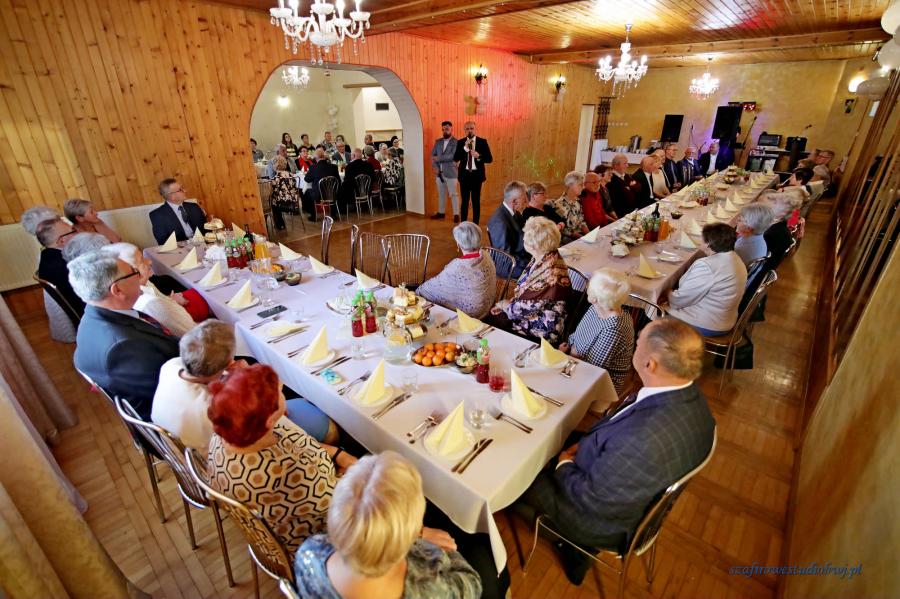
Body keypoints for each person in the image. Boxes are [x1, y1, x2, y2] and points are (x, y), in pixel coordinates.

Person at [517, 318, 715, 585]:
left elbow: (589, 498)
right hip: (626, 485)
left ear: (650, 364)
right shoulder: (691, 398)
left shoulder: (641, 438)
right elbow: (617, 433)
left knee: (517, 470)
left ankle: (575, 546)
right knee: (556, 435)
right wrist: (583, 444)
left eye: (637, 343)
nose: (634, 345)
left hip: (601, 521)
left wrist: (564, 463)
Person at [207, 364, 356, 555]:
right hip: (315, 545)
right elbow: (342, 503)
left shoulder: (228, 431)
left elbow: (298, 442)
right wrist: (350, 471)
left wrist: (338, 454)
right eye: (277, 390)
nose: (282, 385)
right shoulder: (295, 475)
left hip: (285, 511)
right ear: (269, 420)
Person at [294, 451, 482, 599]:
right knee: (482, 554)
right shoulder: (429, 589)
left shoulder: (308, 551)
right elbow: (472, 584)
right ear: (411, 533)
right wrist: (448, 553)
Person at [68, 250, 179, 419]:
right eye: (134, 272)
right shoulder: (123, 347)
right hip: (175, 411)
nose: (140, 275)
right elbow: (175, 388)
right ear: (117, 289)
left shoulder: (93, 315)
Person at [489, 217, 571, 345]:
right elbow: (526, 292)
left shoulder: (550, 273)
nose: (523, 239)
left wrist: (504, 305)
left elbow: (523, 309)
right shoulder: (545, 256)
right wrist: (509, 305)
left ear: (534, 246)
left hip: (543, 329)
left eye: (525, 237)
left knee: (492, 324)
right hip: (530, 312)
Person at [664, 223, 748, 336]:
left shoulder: (707, 266)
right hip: (725, 320)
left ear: (708, 244)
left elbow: (679, 300)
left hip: (706, 324)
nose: (700, 241)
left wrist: (667, 292)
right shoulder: (736, 259)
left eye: (702, 238)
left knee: (652, 307)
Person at [560, 268, 635, 393]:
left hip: (600, 382)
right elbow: (579, 334)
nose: (587, 285)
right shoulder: (597, 308)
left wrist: (566, 357)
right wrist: (568, 349)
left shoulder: (613, 329)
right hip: (575, 362)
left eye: (590, 284)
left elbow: (592, 369)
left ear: (594, 298)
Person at [104, 242, 198, 337]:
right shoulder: (150, 304)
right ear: (131, 270)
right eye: (141, 261)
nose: (149, 261)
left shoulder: (142, 283)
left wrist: (170, 300)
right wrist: (170, 304)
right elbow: (193, 335)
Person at [417, 222, 497, 319]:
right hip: (487, 309)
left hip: (469, 316)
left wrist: (418, 291)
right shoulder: (486, 255)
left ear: (458, 244)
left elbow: (430, 289)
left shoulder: (458, 267)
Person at [35, 218, 84, 318]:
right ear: (62, 240)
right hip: (86, 310)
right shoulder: (64, 265)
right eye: (73, 231)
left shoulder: (47, 255)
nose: (78, 233)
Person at [486, 181, 530, 279]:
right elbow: (505, 256)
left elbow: (524, 236)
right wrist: (529, 263)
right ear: (514, 201)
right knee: (540, 272)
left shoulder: (515, 213)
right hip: (509, 265)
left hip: (519, 256)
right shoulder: (499, 221)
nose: (526, 202)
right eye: (524, 199)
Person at [453, 121, 493, 224]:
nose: (469, 130)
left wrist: (479, 156)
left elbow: (489, 159)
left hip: (477, 176)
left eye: (471, 128)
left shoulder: (482, 142)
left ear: (475, 129)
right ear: (464, 130)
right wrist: (465, 149)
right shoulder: (460, 142)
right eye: (467, 129)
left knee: (476, 201)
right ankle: (463, 224)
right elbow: (456, 158)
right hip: (464, 176)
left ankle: (476, 224)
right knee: (464, 201)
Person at [149, 178, 207, 244]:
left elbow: (206, 229)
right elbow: (163, 241)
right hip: (180, 248)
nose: (185, 191)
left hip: (202, 244)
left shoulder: (194, 207)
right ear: (171, 196)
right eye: (180, 190)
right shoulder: (157, 215)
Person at [430, 121, 460, 222]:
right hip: (439, 173)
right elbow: (432, 155)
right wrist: (435, 167)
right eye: (443, 129)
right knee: (441, 194)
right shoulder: (438, 142)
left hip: (451, 173)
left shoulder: (456, 142)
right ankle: (441, 213)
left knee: (453, 194)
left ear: (451, 129)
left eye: (446, 129)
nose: (444, 131)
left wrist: (438, 158)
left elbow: (452, 156)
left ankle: (456, 214)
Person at [548, 171, 590, 243]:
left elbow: (582, 222)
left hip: (579, 237)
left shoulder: (577, 201)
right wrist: (580, 237)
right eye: (580, 185)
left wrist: (589, 234)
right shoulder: (559, 204)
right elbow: (563, 230)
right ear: (570, 185)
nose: (583, 187)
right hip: (567, 240)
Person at [763, 191, 799, 271]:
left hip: (761, 269)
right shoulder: (780, 225)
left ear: (782, 213)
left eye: (775, 203)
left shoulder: (772, 234)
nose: (768, 205)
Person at [305, 148, 340, 219]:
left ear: (315, 157)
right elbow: (338, 181)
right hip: (332, 194)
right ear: (324, 156)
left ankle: (313, 215)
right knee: (331, 190)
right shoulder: (334, 167)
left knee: (307, 192)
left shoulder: (313, 167)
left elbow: (307, 179)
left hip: (319, 195)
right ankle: (333, 214)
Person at [340, 148, 376, 213]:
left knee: (342, 187)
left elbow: (347, 181)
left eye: (351, 155)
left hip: (355, 191)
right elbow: (373, 178)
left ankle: (344, 210)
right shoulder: (369, 165)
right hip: (367, 190)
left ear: (353, 156)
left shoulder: (350, 166)